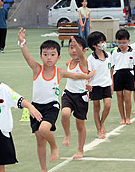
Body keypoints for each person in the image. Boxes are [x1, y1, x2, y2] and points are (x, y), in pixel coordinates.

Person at [17, 29, 94, 171]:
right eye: (45, 54)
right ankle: (44, 169)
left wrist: (87, 77)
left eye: (52, 55)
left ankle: (54, 147)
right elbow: (27, 57)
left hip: (52, 106)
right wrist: (22, 42)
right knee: (40, 139)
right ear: (40, 56)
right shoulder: (36, 69)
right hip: (35, 107)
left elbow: (75, 76)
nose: (48, 58)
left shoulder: (60, 72)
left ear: (58, 57)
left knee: (44, 129)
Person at [61, 36, 91, 159]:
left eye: (77, 48)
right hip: (68, 94)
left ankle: (80, 149)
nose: (74, 50)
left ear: (84, 50)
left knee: (80, 125)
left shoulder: (84, 63)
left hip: (81, 97)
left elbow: (82, 58)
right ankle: (67, 134)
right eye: (71, 47)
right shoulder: (69, 63)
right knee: (65, 113)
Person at [111, 29, 135, 125]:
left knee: (127, 98)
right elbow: (112, 67)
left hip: (129, 74)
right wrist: (111, 80)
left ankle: (128, 117)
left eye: (124, 43)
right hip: (118, 75)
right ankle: (122, 118)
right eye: (119, 43)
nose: (122, 45)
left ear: (128, 41)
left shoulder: (133, 52)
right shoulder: (115, 52)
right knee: (119, 98)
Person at [86, 31, 112, 139]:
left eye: (103, 41)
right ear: (94, 45)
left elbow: (111, 70)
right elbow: (88, 74)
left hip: (106, 84)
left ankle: (102, 123)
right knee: (96, 108)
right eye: (100, 42)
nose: (103, 43)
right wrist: (87, 88)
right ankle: (99, 130)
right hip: (95, 86)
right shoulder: (90, 59)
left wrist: (112, 84)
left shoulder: (109, 55)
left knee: (107, 105)